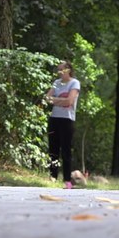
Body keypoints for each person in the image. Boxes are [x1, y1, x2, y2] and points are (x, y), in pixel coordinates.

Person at [45, 60, 81, 189]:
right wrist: (59, 101)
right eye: (58, 70)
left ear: (69, 70)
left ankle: (67, 180)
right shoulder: (56, 83)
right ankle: (53, 176)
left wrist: (56, 100)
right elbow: (47, 98)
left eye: (62, 69)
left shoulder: (74, 83)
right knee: (53, 150)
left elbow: (69, 102)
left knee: (66, 151)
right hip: (54, 118)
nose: (60, 72)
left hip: (67, 119)